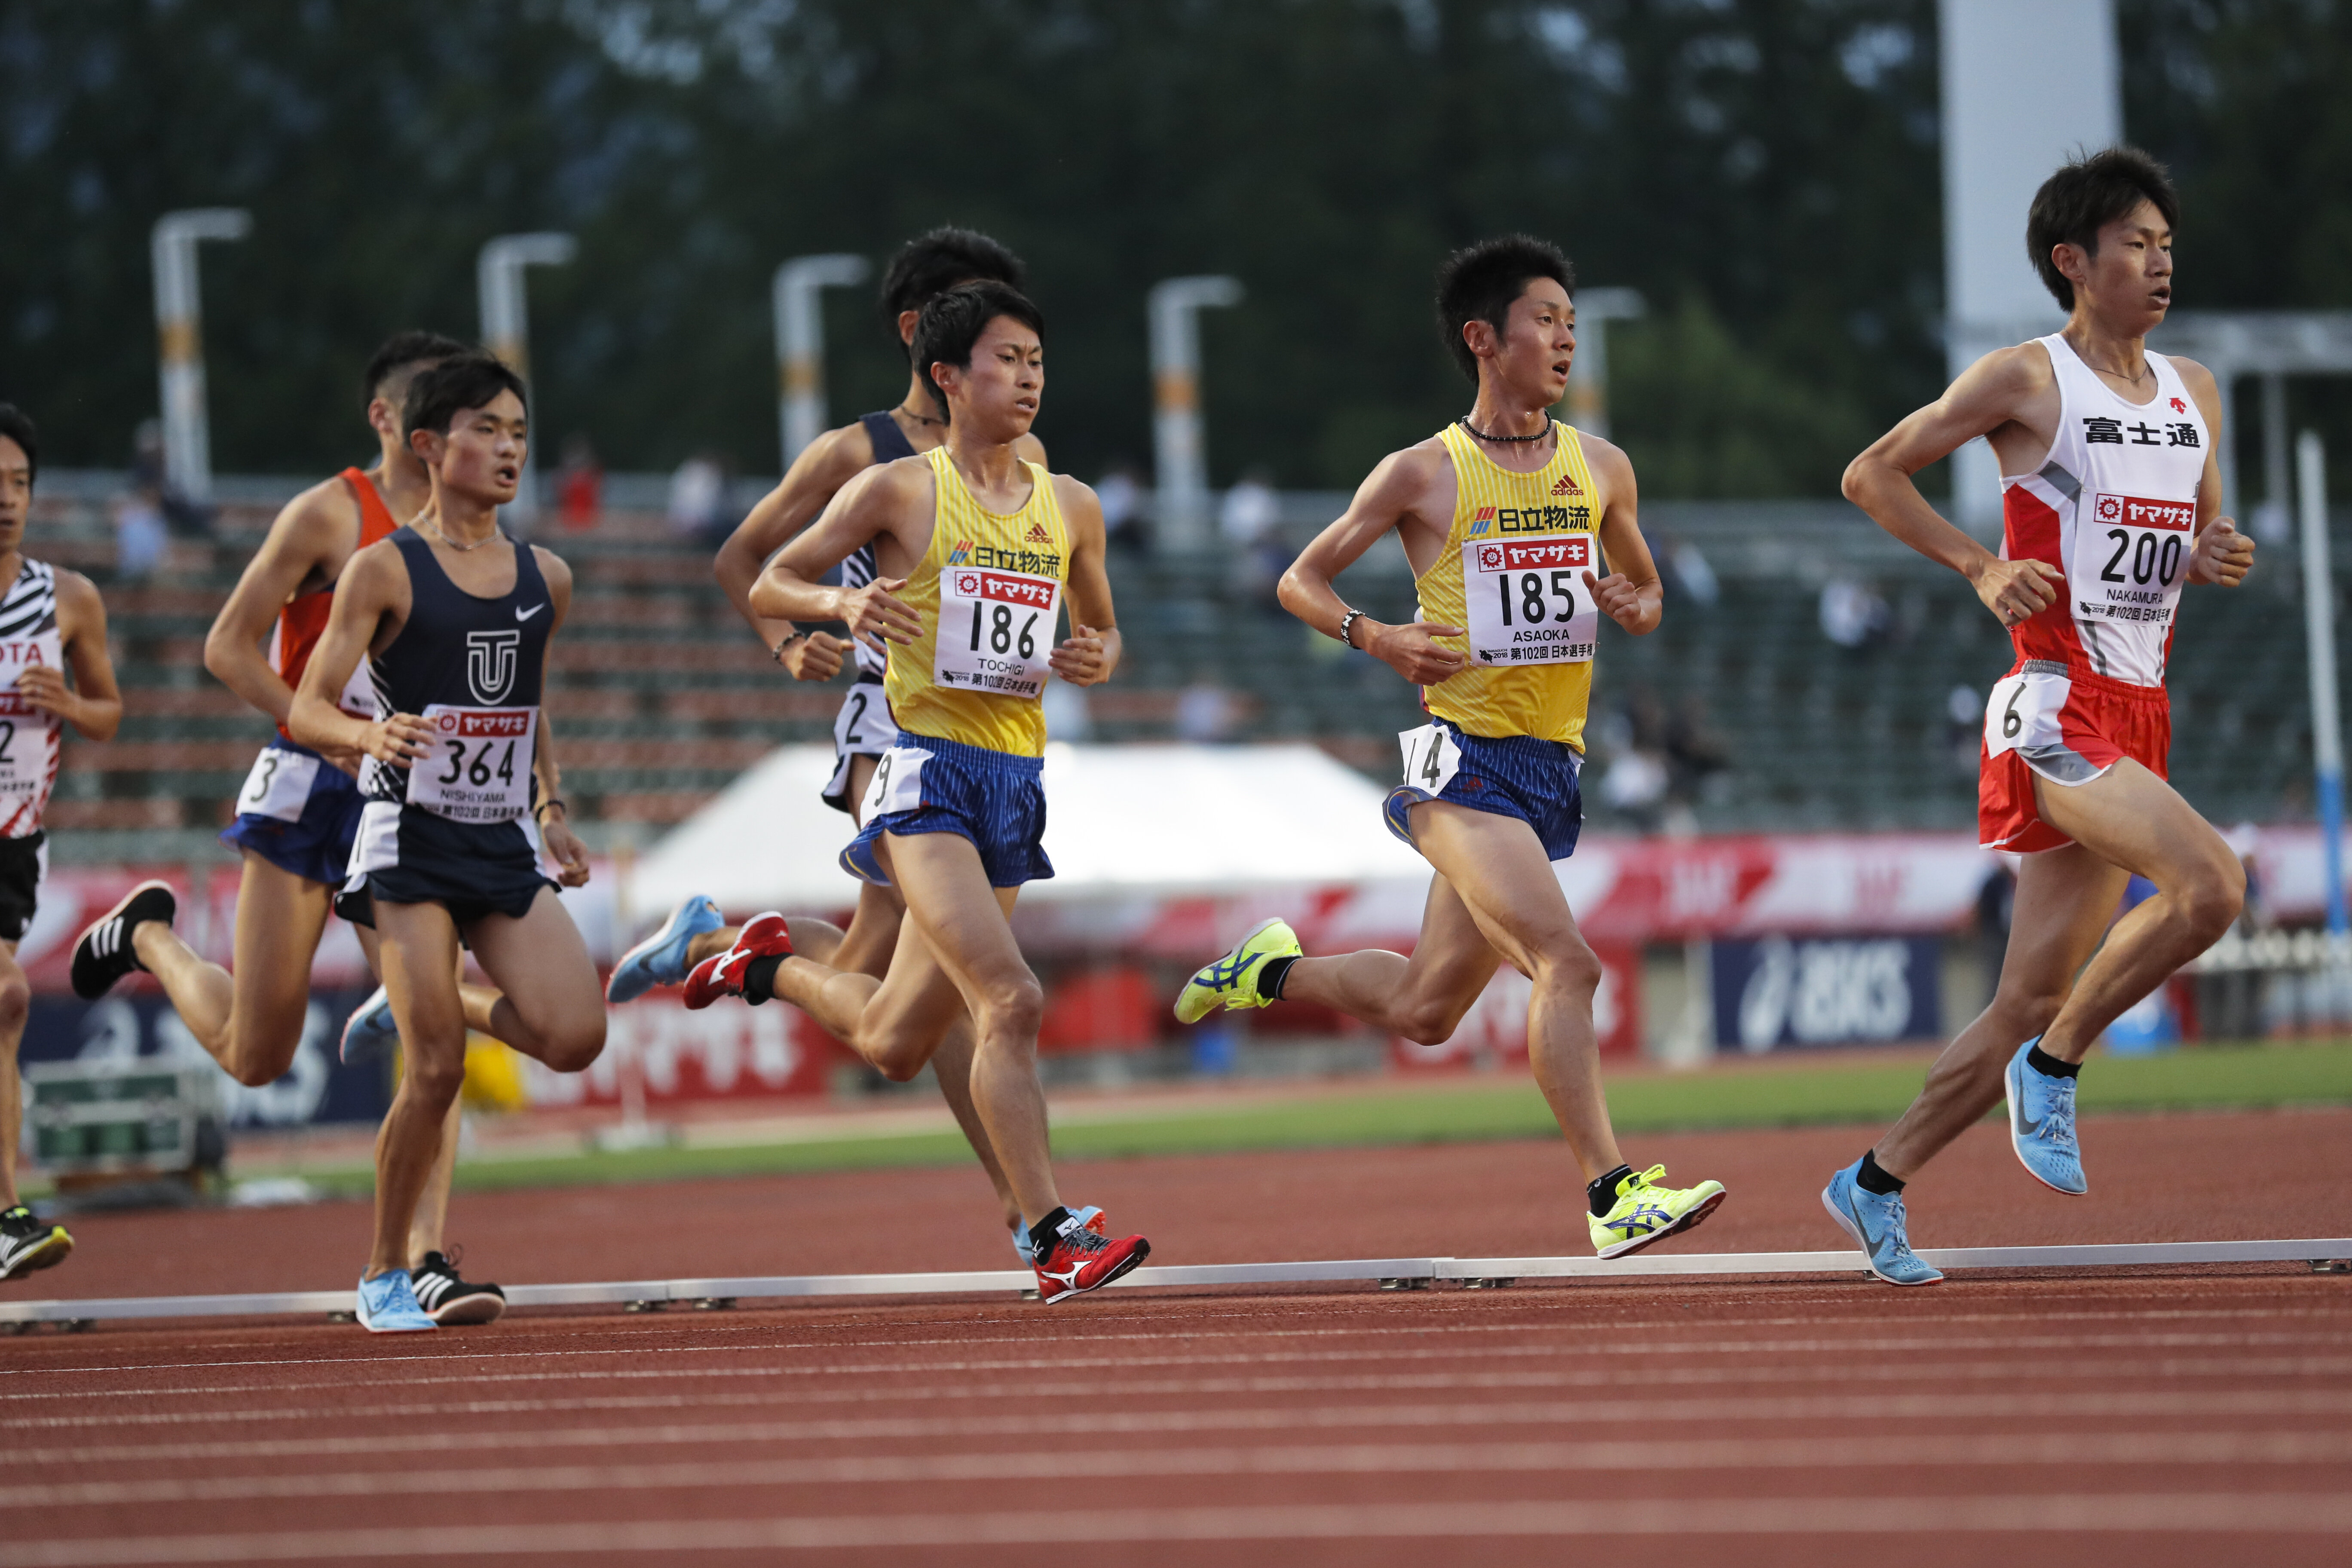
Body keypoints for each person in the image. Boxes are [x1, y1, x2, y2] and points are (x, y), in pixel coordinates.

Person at [1173, 236, 1727, 1259]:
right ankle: (1614, 1194)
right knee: (1567, 963)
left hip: (1549, 766)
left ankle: (1271, 972)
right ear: (1485, 338)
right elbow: (1300, 579)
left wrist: (1628, 601)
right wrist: (1375, 636)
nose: (1565, 339)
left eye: (1572, 321)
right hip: (1462, 764)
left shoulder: (1601, 468)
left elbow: (1647, 600)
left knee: (1429, 1009)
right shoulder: (1423, 473)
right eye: (1546, 319)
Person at [611, 227, 1100, 1265]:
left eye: (1025, 346)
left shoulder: (1037, 466)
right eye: (987, 333)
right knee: (976, 989)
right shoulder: (860, 455)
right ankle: (1031, 1212)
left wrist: (1078, 646)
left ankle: (735, 949)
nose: (1014, 361)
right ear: (927, 336)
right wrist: (799, 635)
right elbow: (748, 557)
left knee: (894, 1006)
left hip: (1000, 744)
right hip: (895, 726)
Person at [1822, 147, 2255, 1286]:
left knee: (2024, 993)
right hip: (2054, 703)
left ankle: (1873, 1183)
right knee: (2213, 887)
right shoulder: (2026, 380)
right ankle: (2056, 1071)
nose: (2161, 264)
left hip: (2141, 702)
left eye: (2168, 245)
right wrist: (1976, 564)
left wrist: (2215, 552)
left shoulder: (2195, 392)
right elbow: (1871, 474)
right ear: (2074, 261)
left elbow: (2200, 534)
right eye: (2137, 246)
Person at [695, 280, 1148, 1302]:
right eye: (1006, 360)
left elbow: (1108, 629)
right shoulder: (897, 490)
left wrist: (1096, 655)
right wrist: (842, 600)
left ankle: (769, 962)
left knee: (898, 1039)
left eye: (1037, 359)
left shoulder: (1070, 503)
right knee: (1011, 996)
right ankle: (1049, 1236)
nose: (1028, 378)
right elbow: (769, 579)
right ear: (948, 376)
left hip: (1015, 782)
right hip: (923, 777)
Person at [68, 334, 508, 1325]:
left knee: (432, 1036)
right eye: (422, 418)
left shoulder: (471, 531)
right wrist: (344, 734)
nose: (443, 441)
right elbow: (227, 646)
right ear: (390, 421)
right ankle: (145, 936)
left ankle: (420, 1259)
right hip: (313, 785)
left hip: (408, 798)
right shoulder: (329, 513)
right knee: (255, 1050)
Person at [289, 353, 606, 1331]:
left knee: (575, 1035)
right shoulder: (384, 571)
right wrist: (364, 733)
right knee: (435, 1070)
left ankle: (436, 999)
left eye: (519, 431)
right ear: (429, 446)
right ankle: (386, 1271)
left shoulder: (545, 575)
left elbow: (528, 701)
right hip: (405, 838)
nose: (510, 448)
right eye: (487, 430)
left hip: (499, 842)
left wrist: (552, 806)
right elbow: (307, 705)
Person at [0, 404, 122, 1280]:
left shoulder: (67, 598)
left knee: (1, 1015)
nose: (8, 501)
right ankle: (6, 1211)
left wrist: (70, 707)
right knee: (4, 998)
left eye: (19, 485)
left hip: (14, 838)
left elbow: (110, 713)